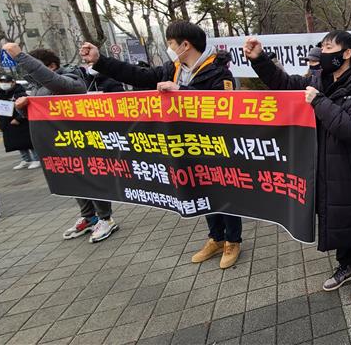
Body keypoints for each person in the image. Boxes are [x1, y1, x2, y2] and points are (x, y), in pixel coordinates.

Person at [80, 20, 243, 269]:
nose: (168, 47)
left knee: (223, 192)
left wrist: (181, 90)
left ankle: (233, 240)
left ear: (185, 44)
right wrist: (100, 60)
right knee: (202, 191)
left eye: (170, 43)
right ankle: (216, 238)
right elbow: (138, 75)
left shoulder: (219, 71)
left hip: (215, 145)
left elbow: (225, 105)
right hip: (186, 144)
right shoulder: (172, 68)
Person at [243, 30, 351, 302]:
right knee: (335, 219)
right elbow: (283, 83)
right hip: (325, 169)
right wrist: (259, 59)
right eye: (322, 46)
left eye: (329, 46)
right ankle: (344, 265)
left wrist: (319, 101)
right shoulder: (318, 79)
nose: (323, 51)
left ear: (346, 54)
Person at [5, 44, 120, 243]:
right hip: (59, 144)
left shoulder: (72, 79)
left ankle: (105, 218)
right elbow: (38, 116)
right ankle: (89, 217)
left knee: (90, 178)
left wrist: (21, 56)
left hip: (82, 141)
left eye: (37, 67)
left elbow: (56, 83)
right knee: (72, 179)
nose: (33, 73)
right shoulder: (38, 88)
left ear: (51, 66)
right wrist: (23, 109)